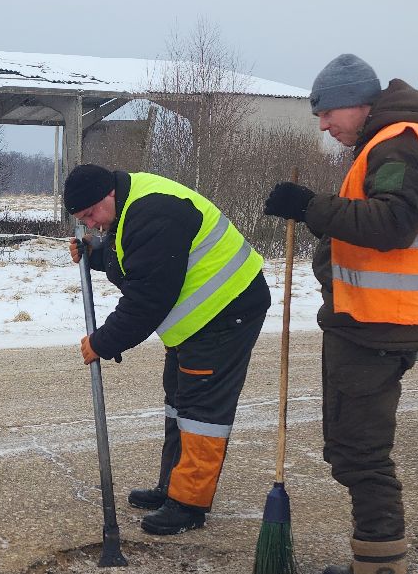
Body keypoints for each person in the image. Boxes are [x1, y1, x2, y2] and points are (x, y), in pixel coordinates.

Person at [263, 53, 418, 574]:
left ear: (358, 102)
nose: (324, 125)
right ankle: (382, 562)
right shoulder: (387, 142)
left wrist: (310, 209)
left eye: (327, 112)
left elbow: (389, 224)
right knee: (355, 446)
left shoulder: (399, 143)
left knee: (360, 452)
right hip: (369, 320)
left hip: (379, 325)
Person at [64, 163, 270, 536]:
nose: (92, 224)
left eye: (91, 215)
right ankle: (172, 487)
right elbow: (135, 259)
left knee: (201, 412)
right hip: (199, 322)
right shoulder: (128, 207)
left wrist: (103, 342)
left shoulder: (152, 211)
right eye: (83, 220)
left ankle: (188, 504)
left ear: (106, 195)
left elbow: (148, 299)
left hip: (227, 313)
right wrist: (97, 255)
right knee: (179, 401)